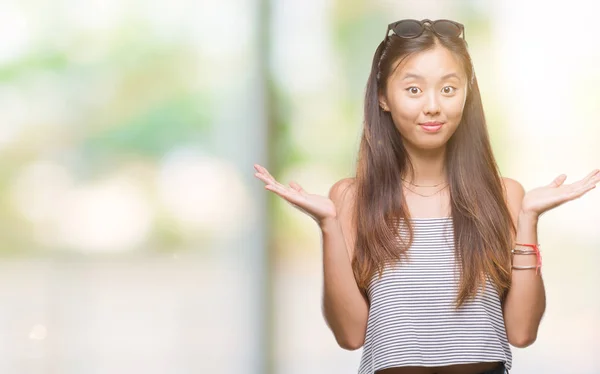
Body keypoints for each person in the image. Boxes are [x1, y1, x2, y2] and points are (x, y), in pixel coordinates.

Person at [253, 18, 600, 374]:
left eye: (448, 89)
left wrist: (528, 219)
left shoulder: (505, 195)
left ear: (467, 94)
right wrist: (327, 224)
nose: (433, 106)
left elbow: (522, 332)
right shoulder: (351, 198)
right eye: (414, 90)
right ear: (383, 97)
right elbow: (351, 335)